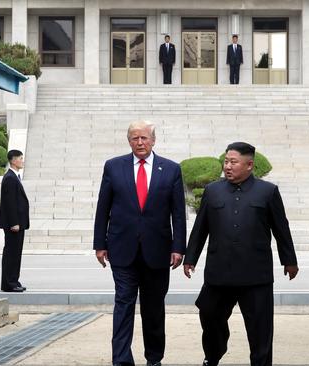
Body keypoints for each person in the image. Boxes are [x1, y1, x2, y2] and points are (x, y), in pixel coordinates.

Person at [183, 142, 298, 366]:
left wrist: (289, 260)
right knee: (208, 314)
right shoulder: (212, 190)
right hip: (219, 273)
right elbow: (201, 228)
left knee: (260, 329)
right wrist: (190, 258)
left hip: (255, 275)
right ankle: (214, 354)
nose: (227, 166)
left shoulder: (268, 192)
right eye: (226, 161)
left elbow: (281, 229)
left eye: (233, 162)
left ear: (249, 165)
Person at [93, 120, 186, 366]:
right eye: (135, 138)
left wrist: (179, 247)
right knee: (123, 304)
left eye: (144, 138)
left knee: (153, 308)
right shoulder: (113, 167)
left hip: (158, 251)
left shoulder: (171, 169)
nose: (140, 142)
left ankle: (154, 358)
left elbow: (178, 213)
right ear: (129, 141)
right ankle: (122, 360)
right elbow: (103, 207)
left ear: (153, 140)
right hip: (122, 249)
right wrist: (99, 243)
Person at [0, 149, 29, 292]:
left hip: (18, 223)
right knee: (11, 253)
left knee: (16, 253)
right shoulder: (10, 178)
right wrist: (14, 222)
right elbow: (9, 203)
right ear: (13, 160)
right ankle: (8, 283)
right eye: (20, 158)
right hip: (14, 224)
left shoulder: (14, 176)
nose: (22, 161)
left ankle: (14, 280)